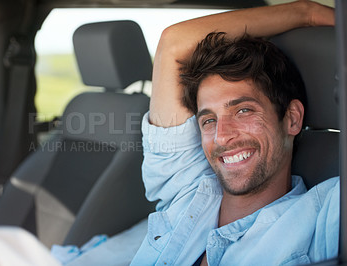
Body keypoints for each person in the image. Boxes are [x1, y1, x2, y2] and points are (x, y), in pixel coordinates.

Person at [131, 1, 338, 265]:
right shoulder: (185, 189)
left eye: (243, 111)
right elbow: (174, 44)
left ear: (292, 119)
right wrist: (305, 12)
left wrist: (314, 16)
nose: (221, 136)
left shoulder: (323, 215)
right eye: (208, 120)